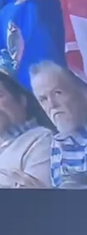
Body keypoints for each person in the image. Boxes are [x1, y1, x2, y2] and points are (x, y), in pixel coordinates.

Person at [29, 61, 87, 189]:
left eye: (58, 93)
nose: (52, 104)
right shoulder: (58, 143)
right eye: (43, 99)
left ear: (83, 92)